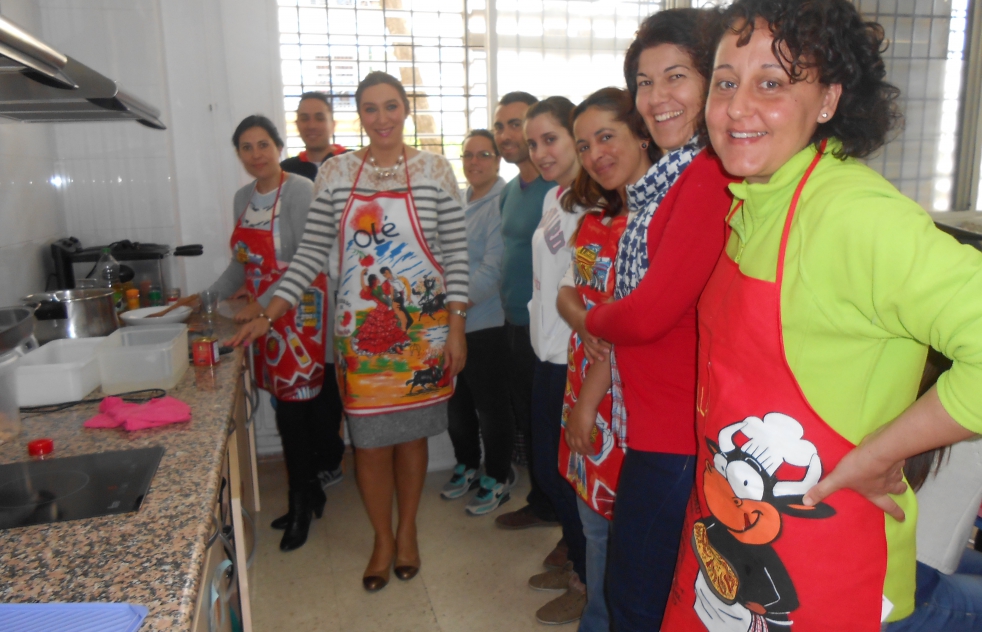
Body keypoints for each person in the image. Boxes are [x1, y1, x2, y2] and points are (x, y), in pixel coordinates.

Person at [660, 0, 982, 629]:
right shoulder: (753, 200)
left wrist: (880, 453)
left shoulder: (850, 215)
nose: (737, 107)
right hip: (725, 537)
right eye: (725, 82)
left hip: (830, 570)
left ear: (829, 100)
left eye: (772, 83)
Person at [229, 72, 469, 593]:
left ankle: (407, 533)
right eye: (369, 108)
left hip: (422, 331)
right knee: (369, 442)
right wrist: (267, 314)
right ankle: (381, 538)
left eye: (390, 106)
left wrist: (456, 326)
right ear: (358, 116)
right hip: (357, 335)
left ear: (405, 110)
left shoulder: (435, 171)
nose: (381, 118)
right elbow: (309, 255)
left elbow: (455, 256)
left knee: (410, 439)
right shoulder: (336, 174)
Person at [573, 10, 733, 630]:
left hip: (674, 436)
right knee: (641, 588)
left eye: (676, 77)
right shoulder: (665, 184)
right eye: (644, 82)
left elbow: (650, 314)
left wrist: (597, 317)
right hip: (658, 424)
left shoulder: (704, 175)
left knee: (637, 595)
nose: (657, 98)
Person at [554, 87, 656, 632]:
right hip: (585, 382)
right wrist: (584, 320)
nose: (595, 153)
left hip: (618, 397)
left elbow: (630, 329)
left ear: (643, 133)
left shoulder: (656, 220)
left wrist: (587, 406)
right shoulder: (598, 216)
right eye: (584, 144)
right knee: (594, 526)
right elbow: (570, 292)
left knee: (624, 535)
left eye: (606, 137)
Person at [207, 115, 328, 552]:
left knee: (294, 411)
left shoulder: (299, 190)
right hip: (262, 317)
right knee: (283, 405)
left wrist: (263, 304)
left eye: (263, 144)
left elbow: (305, 260)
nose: (256, 154)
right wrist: (204, 301)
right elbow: (241, 264)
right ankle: (310, 491)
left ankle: (301, 502)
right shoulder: (243, 196)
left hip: (299, 313)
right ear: (239, 154)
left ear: (279, 147)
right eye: (246, 147)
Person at [523, 96, 588, 626]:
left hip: (575, 358)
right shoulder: (553, 197)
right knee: (548, 468)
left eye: (551, 139)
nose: (542, 152)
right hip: (545, 352)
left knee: (569, 473)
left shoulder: (597, 203)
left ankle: (585, 581)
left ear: (575, 138)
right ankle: (572, 550)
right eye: (533, 143)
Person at [493, 92, 562, 538]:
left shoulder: (554, 191)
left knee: (550, 431)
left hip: (551, 331)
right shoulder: (509, 191)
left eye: (516, 124)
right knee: (529, 422)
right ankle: (541, 503)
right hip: (515, 323)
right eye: (500, 126)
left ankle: (560, 514)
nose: (507, 135)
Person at [441, 129, 517, 516]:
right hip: (452, 323)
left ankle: (499, 475)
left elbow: (492, 271)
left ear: (498, 160)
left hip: (485, 323)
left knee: (490, 407)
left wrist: (452, 304)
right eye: (468, 155)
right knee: (457, 404)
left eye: (483, 155)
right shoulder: (460, 199)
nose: (474, 163)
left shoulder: (501, 202)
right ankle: (467, 464)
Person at [279, 90, 348, 497]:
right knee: (305, 376)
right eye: (304, 118)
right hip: (301, 290)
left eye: (318, 116)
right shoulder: (288, 171)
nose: (311, 124)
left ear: (332, 122)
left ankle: (332, 458)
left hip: (344, 285)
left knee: (335, 378)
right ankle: (313, 460)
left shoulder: (352, 163)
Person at [280, 91, 347, 181]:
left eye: (320, 119)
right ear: (297, 125)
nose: (312, 126)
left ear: (333, 125)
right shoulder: (286, 171)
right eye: (304, 119)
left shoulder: (354, 163)